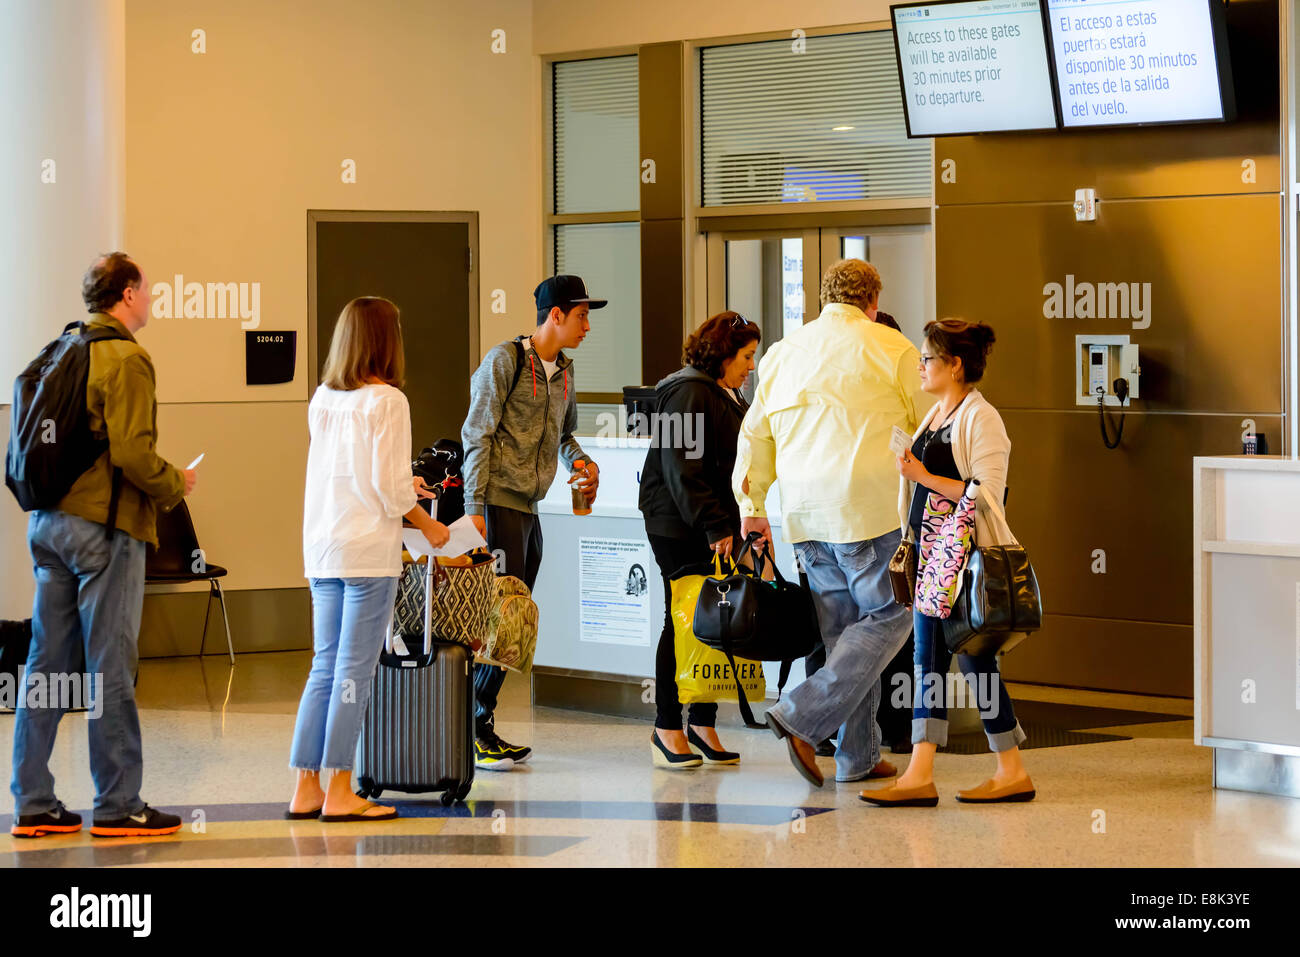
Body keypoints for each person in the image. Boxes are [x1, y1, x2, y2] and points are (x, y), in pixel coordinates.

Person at [10, 253, 196, 839]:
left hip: (47, 526)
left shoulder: (60, 349)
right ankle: (119, 805)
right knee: (111, 663)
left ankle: (34, 801)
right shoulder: (127, 359)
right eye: (147, 288)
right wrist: (176, 484)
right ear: (127, 294)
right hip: (103, 531)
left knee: (44, 665)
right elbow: (133, 454)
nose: (151, 298)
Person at [735, 259, 929, 787]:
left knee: (846, 634)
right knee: (896, 612)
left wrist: (752, 505)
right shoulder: (894, 348)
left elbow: (755, 435)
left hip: (804, 518)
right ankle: (800, 714)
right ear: (872, 301)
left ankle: (857, 757)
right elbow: (932, 423)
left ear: (823, 300)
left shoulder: (782, 354)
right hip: (868, 512)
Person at [288, 297, 450, 822]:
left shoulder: (323, 398)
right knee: (355, 672)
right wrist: (429, 524)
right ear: (386, 340)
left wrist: (404, 485)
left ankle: (306, 788)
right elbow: (386, 489)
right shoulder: (389, 402)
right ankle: (340, 792)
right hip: (366, 554)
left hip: (323, 547)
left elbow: (357, 474)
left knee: (323, 668)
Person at [862, 318, 1034, 807]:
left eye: (928, 359)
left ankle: (987, 769)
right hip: (932, 558)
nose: (920, 366)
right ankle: (986, 768)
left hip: (960, 561)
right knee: (942, 660)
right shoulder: (937, 412)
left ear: (956, 365)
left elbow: (987, 494)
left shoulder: (983, 419)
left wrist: (922, 475)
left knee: (960, 657)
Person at [461, 275, 602, 770]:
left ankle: (477, 723)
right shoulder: (506, 361)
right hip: (497, 506)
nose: (588, 325)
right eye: (582, 315)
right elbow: (477, 433)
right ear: (556, 315)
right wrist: (475, 509)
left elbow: (566, 436)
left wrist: (582, 462)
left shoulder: (563, 370)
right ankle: (473, 727)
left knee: (515, 620)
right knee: (500, 621)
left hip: (530, 508)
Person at [638, 311, 760, 769]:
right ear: (723, 353)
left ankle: (702, 723)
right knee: (684, 620)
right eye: (746, 356)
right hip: (678, 524)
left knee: (713, 620)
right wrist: (714, 526)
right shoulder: (689, 391)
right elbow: (680, 468)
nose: (751, 365)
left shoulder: (724, 392)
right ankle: (666, 726)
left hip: (711, 525)